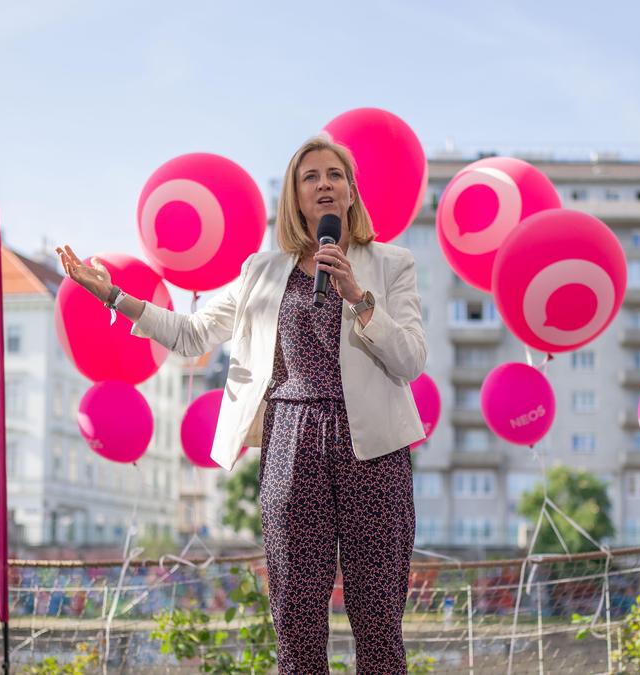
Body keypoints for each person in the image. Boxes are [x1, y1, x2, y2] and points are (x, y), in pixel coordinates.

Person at [57, 136, 427, 673]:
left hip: (373, 452)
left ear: (350, 192)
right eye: (310, 176)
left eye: (334, 175)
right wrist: (114, 295)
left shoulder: (392, 265)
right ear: (296, 199)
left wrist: (360, 299)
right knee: (296, 621)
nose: (323, 183)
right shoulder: (262, 272)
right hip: (291, 443)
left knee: (378, 622)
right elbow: (191, 334)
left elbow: (411, 360)